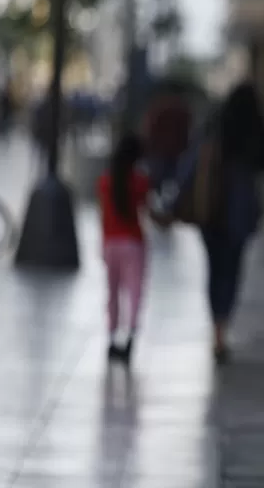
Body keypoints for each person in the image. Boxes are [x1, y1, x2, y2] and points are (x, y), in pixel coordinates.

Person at [202, 81, 264, 362]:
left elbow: (196, 158)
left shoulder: (217, 123)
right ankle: (222, 327)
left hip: (211, 208)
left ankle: (216, 329)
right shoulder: (255, 128)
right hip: (239, 212)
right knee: (231, 271)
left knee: (214, 269)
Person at [97, 134, 151, 363]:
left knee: (112, 294)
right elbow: (147, 208)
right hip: (133, 243)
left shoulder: (105, 181)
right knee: (134, 292)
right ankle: (130, 337)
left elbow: (103, 216)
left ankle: (111, 337)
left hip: (111, 243)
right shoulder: (139, 181)